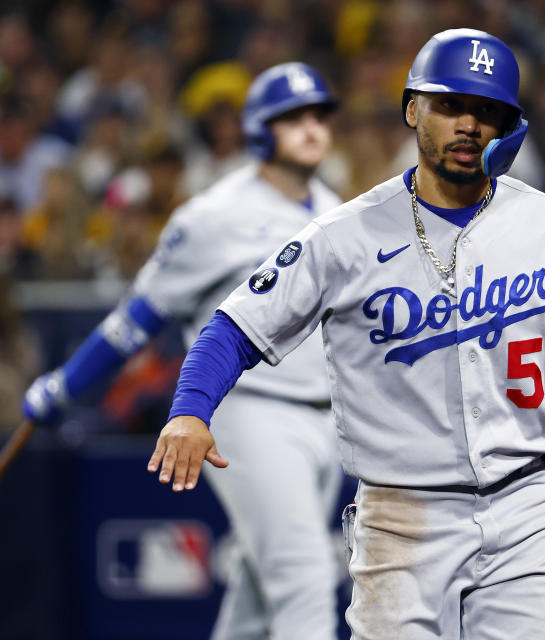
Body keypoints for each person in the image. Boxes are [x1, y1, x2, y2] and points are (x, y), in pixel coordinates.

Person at [147, 30, 545, 638]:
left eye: (488, 111)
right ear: (413, 109)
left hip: (525, 508)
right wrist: (191, 410)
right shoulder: (342, 236)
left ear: (511, 127)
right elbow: (231, 329)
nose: (469, 124)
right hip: (402, 517)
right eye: (451, 105)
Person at [23, 62, 344, 640]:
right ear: (258, 129)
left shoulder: (338, 209)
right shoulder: (211, 216)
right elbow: (135, 320)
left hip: (327, 422)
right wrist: (66, 386)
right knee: (304, 577)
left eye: (320, 114)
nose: (312, 127)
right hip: (251, 410)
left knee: (256, 592)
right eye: (293, 117)